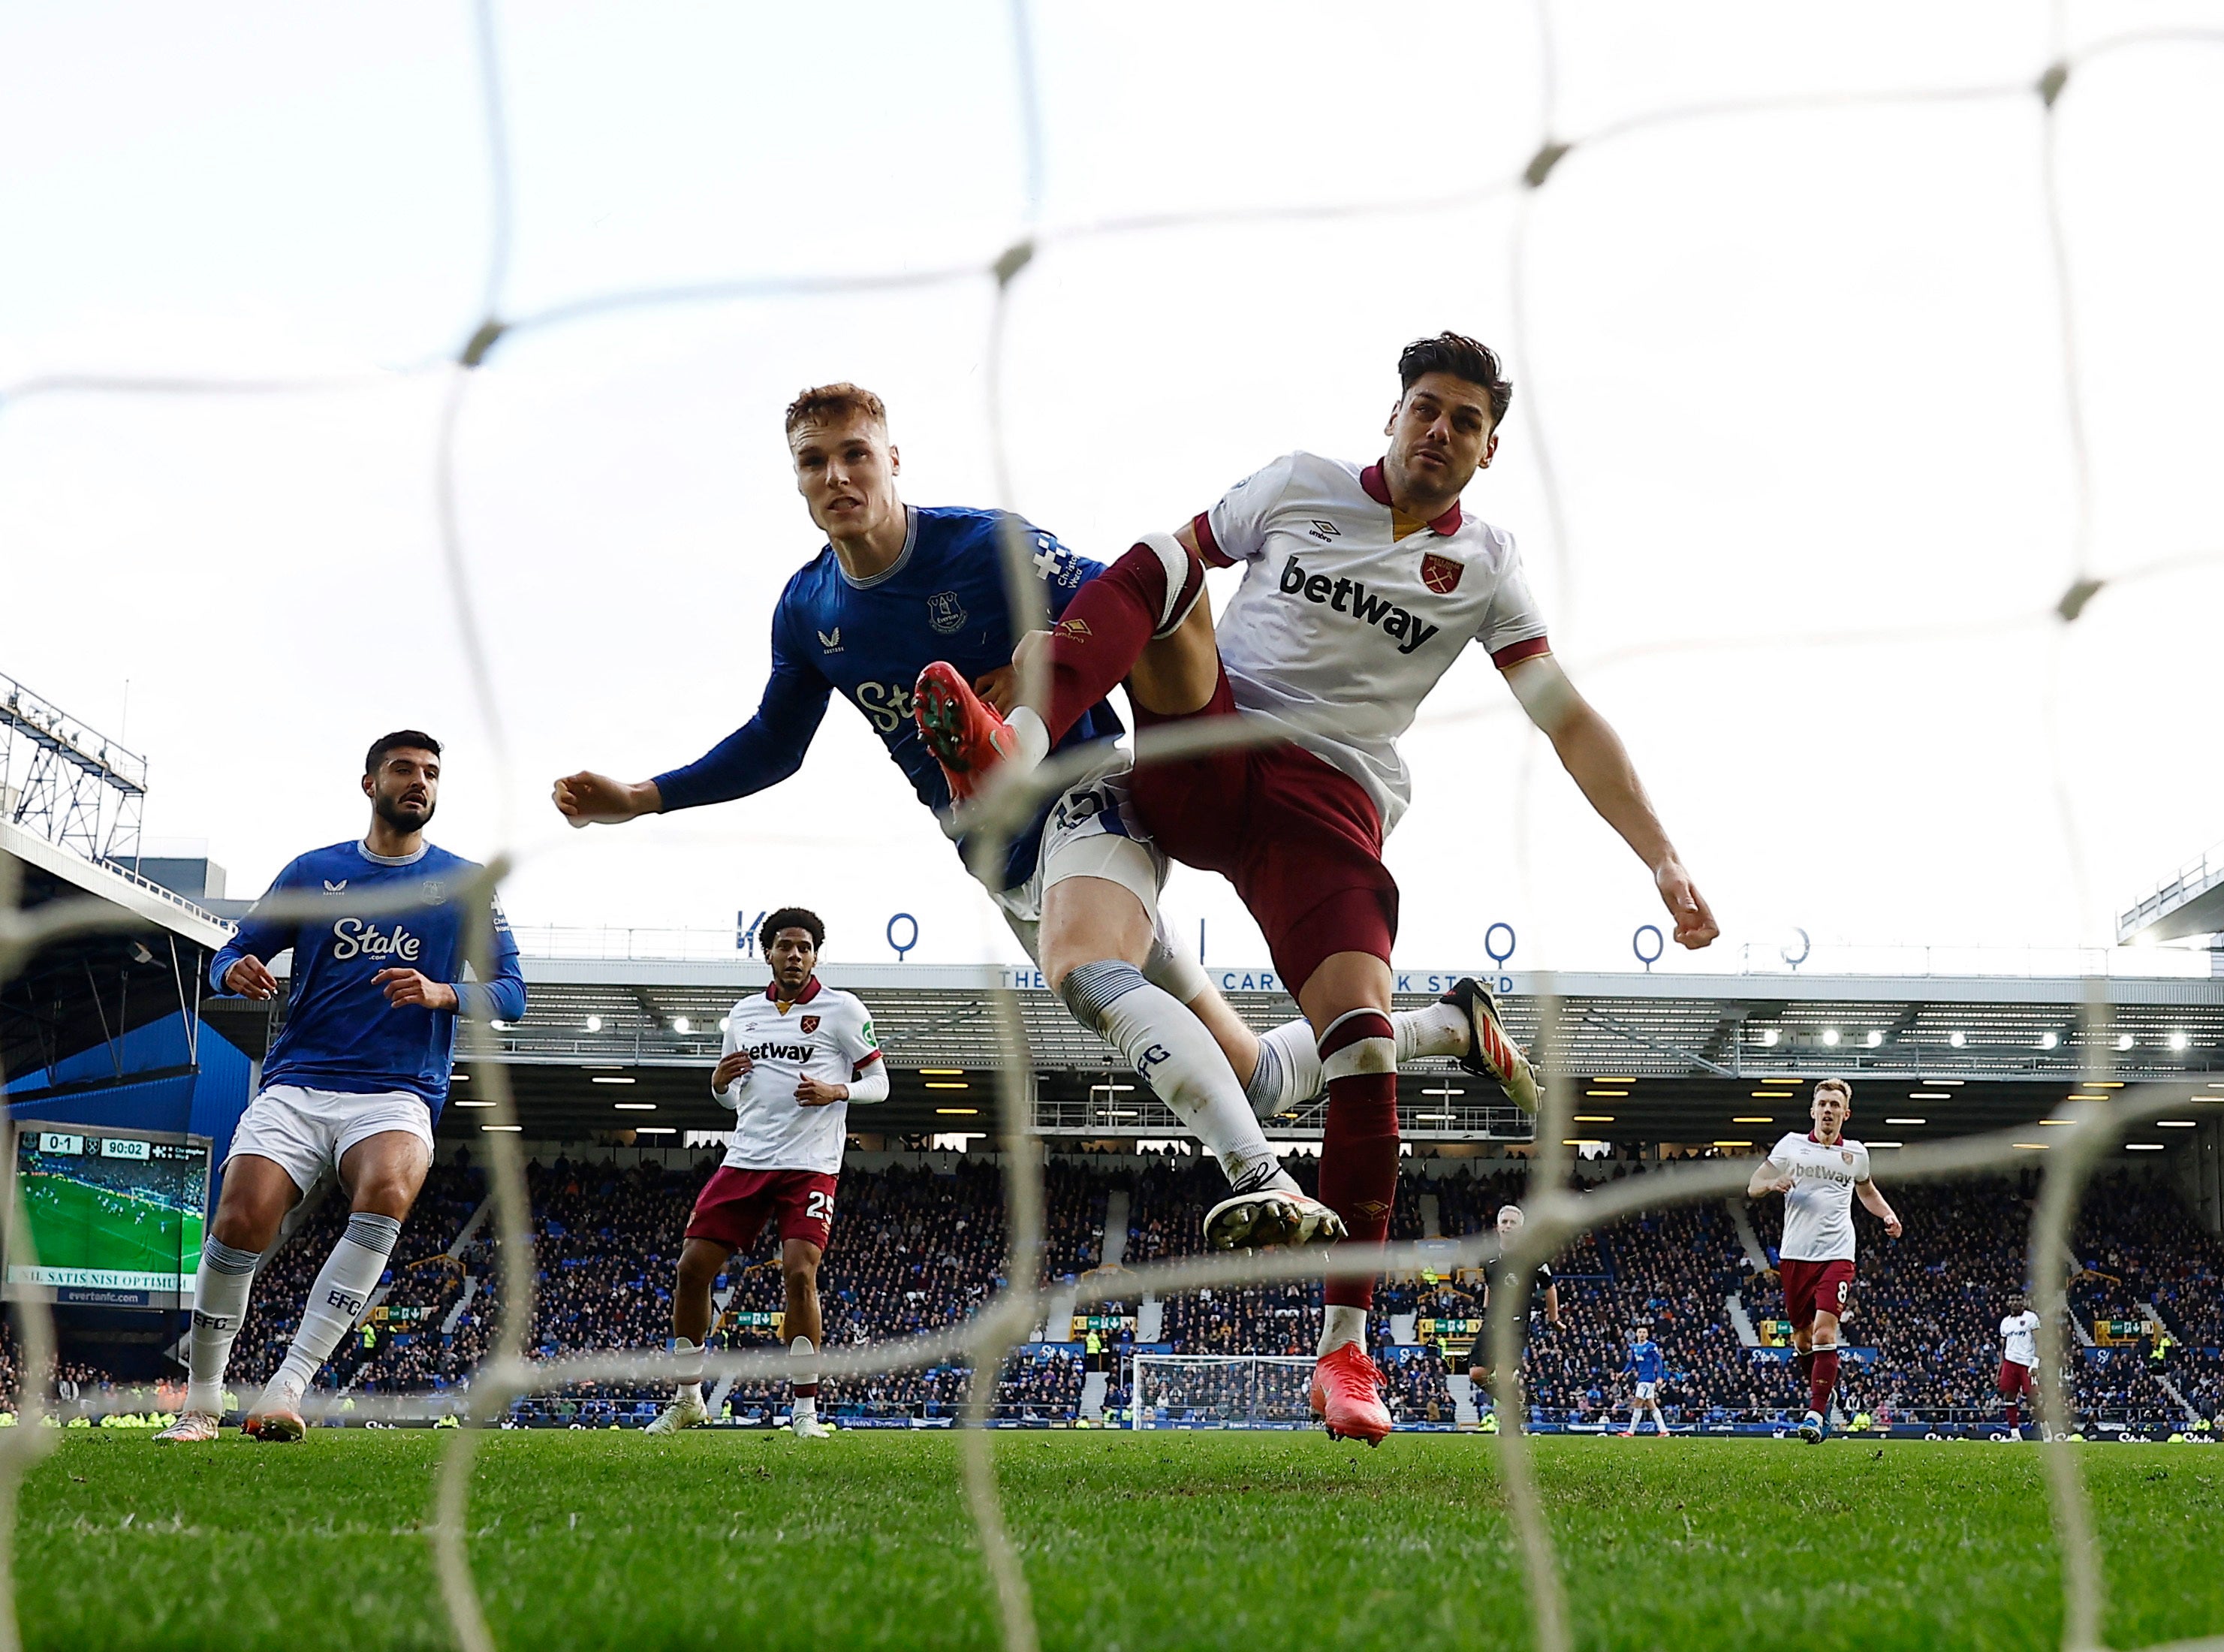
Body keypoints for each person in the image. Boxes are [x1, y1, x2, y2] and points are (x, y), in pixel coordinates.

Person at [916, 333, 1718, 1443]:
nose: (1440, 431)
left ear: (1488, 451)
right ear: (1392, 414)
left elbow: (1567, 718)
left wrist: (1661, 856)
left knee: (1358, 1050)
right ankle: (1020, 745)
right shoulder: (1298, 485)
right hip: (1214, 743)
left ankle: (1343, 1352)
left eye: (1466, 422)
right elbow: (1153, 577)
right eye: (1425, 409)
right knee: (1167, 558)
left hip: (1333, 801)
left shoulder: (1484, 564)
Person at [550, 381, 1484, 1250]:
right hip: (1003, 858)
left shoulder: (983, 546)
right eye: (812, 461)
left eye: (854, 454)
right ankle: (1445, 1025)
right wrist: (642, 796)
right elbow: (775, 742)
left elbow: (1119, 598)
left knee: (1084, 969)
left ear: (893, 460)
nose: (836, 476)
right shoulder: (808, 607)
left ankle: (1262, 1178)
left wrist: (1038, 665)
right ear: (795, 476)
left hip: (1087, 796)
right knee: (1256, 1076)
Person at [157, 732, 524, 1443]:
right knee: (240, 1221)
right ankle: (202, 1404)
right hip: (299, 1084)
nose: (420, 782)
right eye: (404, 770)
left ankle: (286, 1389)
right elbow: (233, 950)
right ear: (369, 784)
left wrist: (444, 992)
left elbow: (512, 994)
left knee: (388, 1189)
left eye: (432, 774)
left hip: (396, 1090)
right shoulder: (314, 871)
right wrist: (226, 972)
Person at [649, 908, 886, 1439]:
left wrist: (836, 1090)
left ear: (816, 955)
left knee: (800, 1274)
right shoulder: (745, 1014)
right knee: (691, 1269)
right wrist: (716, 1082)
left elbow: (880, 1083)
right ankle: (689, 1399)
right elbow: (733, 1100)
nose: (795, 955)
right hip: (747, 1159)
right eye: (785, 946)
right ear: (768, 953)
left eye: (805, 947)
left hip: (809, 1167)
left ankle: (805, 1413)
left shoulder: (841, 1009)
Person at [1747, 1078, 1900, 1443]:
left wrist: (1888, 1215)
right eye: (1823, 1104)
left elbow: (1867, 1190)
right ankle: (1824, 1394)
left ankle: (1816, 1413)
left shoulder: (1857, 1154)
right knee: (1801, 1341)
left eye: (1835, 1104)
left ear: (1845, 1114)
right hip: (1795, 1255)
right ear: (1812, 1110)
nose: (1828, 1110)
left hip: (1838, 1254)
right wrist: (1773, 1183)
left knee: (1825, 1332)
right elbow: (1753, 1185)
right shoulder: (1791, 1145)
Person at [1467, 1203, 1561, 1433]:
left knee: (1504, 1371)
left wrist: (1554, 1319)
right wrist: (1486, 1309)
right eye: (1504, 1222)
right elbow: (1491, 1285)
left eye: (1513, 1223)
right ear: (1498, 1227)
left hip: (1516, 1322)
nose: (1508, 1226)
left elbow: (1550, 1287)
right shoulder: (1489, 1258)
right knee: (1477, 1374)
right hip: (1493, 1322)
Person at [1995, 1291, 2039, 1440]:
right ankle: (2015, 1433)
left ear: (2023, 1301)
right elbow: (2003, 1347)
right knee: (2008, 1396)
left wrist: (2036, 1363)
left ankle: (2046, 1431)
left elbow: (2040, 1341)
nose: (2015, 1302)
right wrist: (1999, 1370)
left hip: (2027, 1363)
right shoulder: (2005, 1322)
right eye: (2012, 1299)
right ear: (2008, 1302)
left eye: (2018, 1299)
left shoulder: (2031, 1318)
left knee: (2032, 1398)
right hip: (2010, 1362)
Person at [1619, 1320, 1668, 1438]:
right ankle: (1664, 1431)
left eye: (1644, 1332)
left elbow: (1659, 1362)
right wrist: (1623, 1373)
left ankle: (1630, 1432)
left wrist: (1660, 1377)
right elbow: (1631, 1363)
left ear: (1647, 1335)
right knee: (1651, 1405)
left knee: (1637, 1403)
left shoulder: (1651, 1346)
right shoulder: (1635, 1348)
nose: (1641, 1334)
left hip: (1648, 1379)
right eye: (1639, 1332)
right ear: (1636, 1334)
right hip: (1642, 1378)